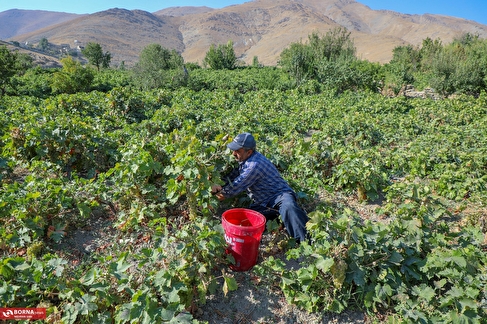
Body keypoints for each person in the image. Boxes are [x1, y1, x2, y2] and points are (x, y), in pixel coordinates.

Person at [212, 133, 309, 243]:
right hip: (263, 202)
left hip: (280, 197)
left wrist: (210, 202)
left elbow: (233, 189)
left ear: (249, 152)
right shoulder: (245, 160)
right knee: (244, 220)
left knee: (288, 207)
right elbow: (232, 177)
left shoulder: (254, 166)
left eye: (238, 151)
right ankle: (278, 220)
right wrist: (218, 184)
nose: (234, 153)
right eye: (234, 150)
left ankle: (305, 242)